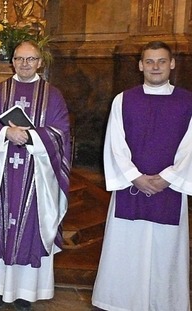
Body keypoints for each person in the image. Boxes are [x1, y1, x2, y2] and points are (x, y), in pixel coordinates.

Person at [0, 40, 71, 311]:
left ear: (40, 62)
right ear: (11, 61)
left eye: (30, 59)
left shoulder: (53, 95)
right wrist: (6, 133)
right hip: (1, 175)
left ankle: (27, 292)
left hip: (37, 176)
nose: (24, 64)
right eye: (19, 59)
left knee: (30, 229)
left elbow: (60, 131)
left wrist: (30, 136)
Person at [92, 41, 192, 311]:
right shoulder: (124, 99)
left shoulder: (187, 101)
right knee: (127, 247)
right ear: (140, 65)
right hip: (131, 187)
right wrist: (134, 176)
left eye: (161, 61)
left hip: (169, 189)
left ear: (172, 64)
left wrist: (168, 177)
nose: (155, 67)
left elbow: (190, 146)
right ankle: (120, 302)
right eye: (149, 61)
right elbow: (115, 143)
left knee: (166, 250)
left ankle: (165, 303)